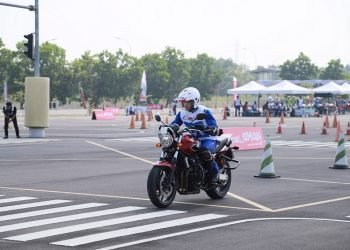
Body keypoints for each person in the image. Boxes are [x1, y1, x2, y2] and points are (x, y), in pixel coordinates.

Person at [171, 87, 220, 184]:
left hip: (207, 138)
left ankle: (215, 173)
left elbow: (213, 125)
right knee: (180, 148)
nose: (185, 104)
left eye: (187, 102)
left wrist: (212, 129)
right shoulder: (182, 113)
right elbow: (175, 124)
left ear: (195, 101)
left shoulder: (204, 111)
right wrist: (168, 128)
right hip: (194, 138)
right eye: (183, 102)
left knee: (204, 150)